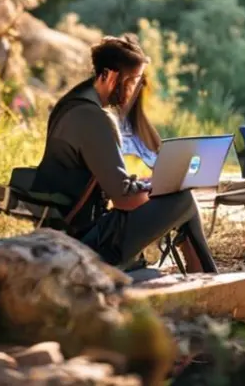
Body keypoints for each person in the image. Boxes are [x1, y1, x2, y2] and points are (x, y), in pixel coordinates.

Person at [32, 34, 217, 273]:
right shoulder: (92, 118)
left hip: (69, 234)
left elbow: (105, 183)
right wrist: (159, 189)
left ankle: (205, 277)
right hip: (85, 245)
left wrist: (147, 185)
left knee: (178, 198)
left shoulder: (71, 104)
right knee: (183, 200)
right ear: (109, 76)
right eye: (132, 82)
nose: (133, 91)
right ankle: (209, 278)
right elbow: (125, 200)